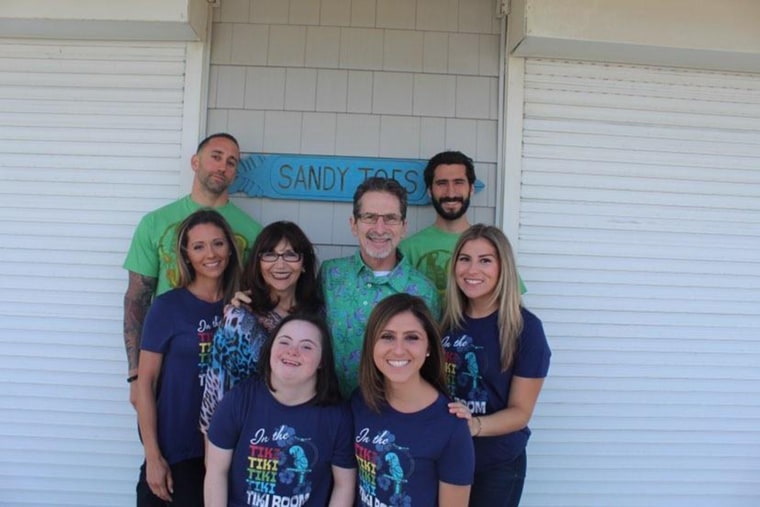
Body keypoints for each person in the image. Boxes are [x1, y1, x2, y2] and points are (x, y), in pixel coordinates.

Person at [123, 132, 262, 407]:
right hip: (167, 361)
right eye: (216, 157)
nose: (223, 166)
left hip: (227, 363)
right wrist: (136, 374)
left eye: (232, 162)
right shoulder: (155, 223)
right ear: (195, 162)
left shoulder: (252, 231)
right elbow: (136, 299)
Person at [135, 209, 242, 506]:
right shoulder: (167, 307)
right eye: (199, 246)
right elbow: (145, 384)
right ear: (187, 254)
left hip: (227, 452)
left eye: (218, 243)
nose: (211, 253)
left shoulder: (244, 306)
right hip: (177, 452)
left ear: (230, 249)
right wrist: (153, 456)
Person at [443, 224, 551, 507]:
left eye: (485, 260)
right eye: (464, 259)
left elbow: (520, 413)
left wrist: (474, 425)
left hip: (497, 464)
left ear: (503, 268)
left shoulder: (526, 329)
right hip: (447, 456)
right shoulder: (444, 322)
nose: (472, 269)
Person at [204, 314, 356, 507]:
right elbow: (216, 471)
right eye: (284, 342)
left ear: (322, 361)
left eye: (307, 346)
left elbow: (344, 485)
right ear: (270, 349)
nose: (292, 351)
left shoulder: (338, 416)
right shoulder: (239, 400)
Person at [319, 176, 440, 398]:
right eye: (370, 217)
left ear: (404, 227)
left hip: (395, 418)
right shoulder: (330, 275)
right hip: (335, 409)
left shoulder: (424, 291)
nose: (380, 228)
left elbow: (430, 363)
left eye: (391, 218)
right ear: (353, 225)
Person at [199, 220, 323, 433]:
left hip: (304, 434)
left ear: (304, 264)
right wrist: (213, 462)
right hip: (250, 438)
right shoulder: (239, 319)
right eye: (269, 255)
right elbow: (215, 396)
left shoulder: (319, 316)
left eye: (291, 254)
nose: (280, 264)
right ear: (258, 263)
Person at [352, 293, 474, 507]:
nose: (399, 349)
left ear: (428, 347)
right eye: (387, 336)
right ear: (371, 344)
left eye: (412, 337)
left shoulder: (451, 426)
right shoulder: (360, 401)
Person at [399, 150, 526, 298]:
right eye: (442, 183)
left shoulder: (491, 246)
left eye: (458, 183)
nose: (450, 192)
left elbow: (511, 302)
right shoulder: (408, 249)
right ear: (429, 191)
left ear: (471, 189)